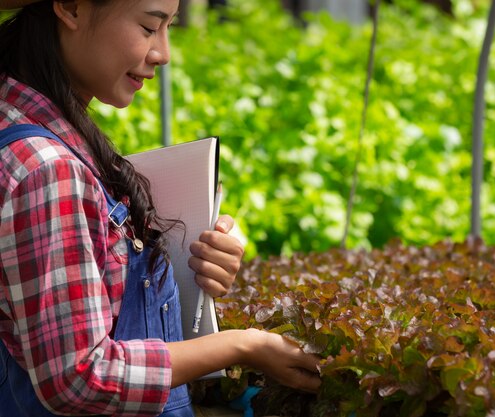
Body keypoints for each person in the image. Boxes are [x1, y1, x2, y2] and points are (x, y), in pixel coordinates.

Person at [0, 0, 321, 416]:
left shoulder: (22, 123)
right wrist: (241, 345)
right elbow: (80, 378)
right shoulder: (49, 170)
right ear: (72, 8)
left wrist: (194, 263)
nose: (163, 53)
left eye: (169, 27)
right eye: (150, 27)